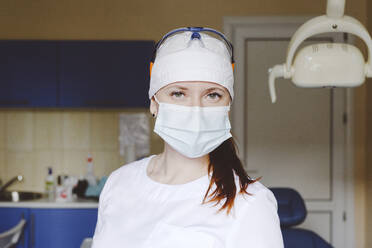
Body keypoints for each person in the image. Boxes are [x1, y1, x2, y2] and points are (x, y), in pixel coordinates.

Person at [91, 27, 284, 248]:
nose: (195, 110)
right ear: (154, 102)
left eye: (212, 95)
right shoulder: (119, 183)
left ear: (227, 107)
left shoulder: (250, 203)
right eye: (178, 93)